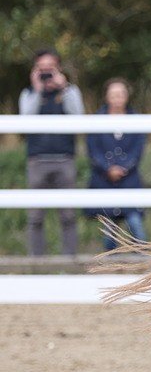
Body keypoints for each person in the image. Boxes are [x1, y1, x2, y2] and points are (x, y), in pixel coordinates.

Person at [18, 48, 84, 256]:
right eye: (42, 68)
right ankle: (37, 264)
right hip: (37, 160)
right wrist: (38, 90)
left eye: (50, 68)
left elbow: (79, 119)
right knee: (35, 217)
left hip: (65, 159)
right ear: (35, 70)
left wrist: (64, 88)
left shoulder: (70, 92)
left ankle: (69, 262)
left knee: (68, 215)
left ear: (59, 69)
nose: (46, 72)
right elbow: (25, 122)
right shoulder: (28, 93)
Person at [85, 78, 148, 251]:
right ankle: (110, 265)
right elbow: (92, 149)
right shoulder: (96, 119)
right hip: (104, 180)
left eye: (121, 94)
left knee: (135, 223)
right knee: (108, 227)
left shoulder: (136, 119)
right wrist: (107, 168)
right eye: (113, 94)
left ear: (127, 96)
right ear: (106, 96)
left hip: (130, 179)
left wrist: (124, 167)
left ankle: (142, 263)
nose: (117, 97)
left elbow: (138, 150)